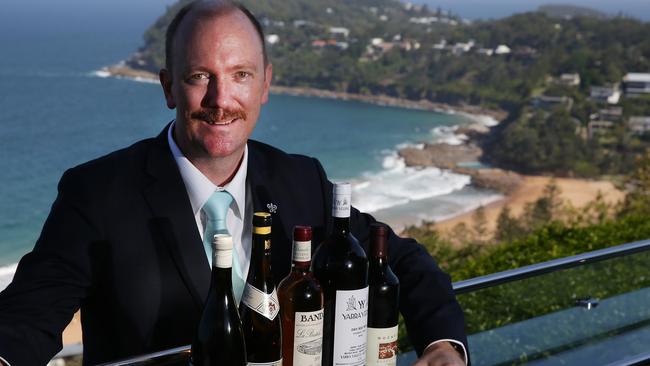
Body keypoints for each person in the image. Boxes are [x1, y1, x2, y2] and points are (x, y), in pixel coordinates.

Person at [0, 1, 468, 365]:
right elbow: (28, 315)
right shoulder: (95, 194)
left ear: (264, 85)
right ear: (167, 87)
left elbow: (401, 259)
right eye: (200, 76)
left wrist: (445, 346)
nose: (221, 100)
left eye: (240, 75)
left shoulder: (302, 180)